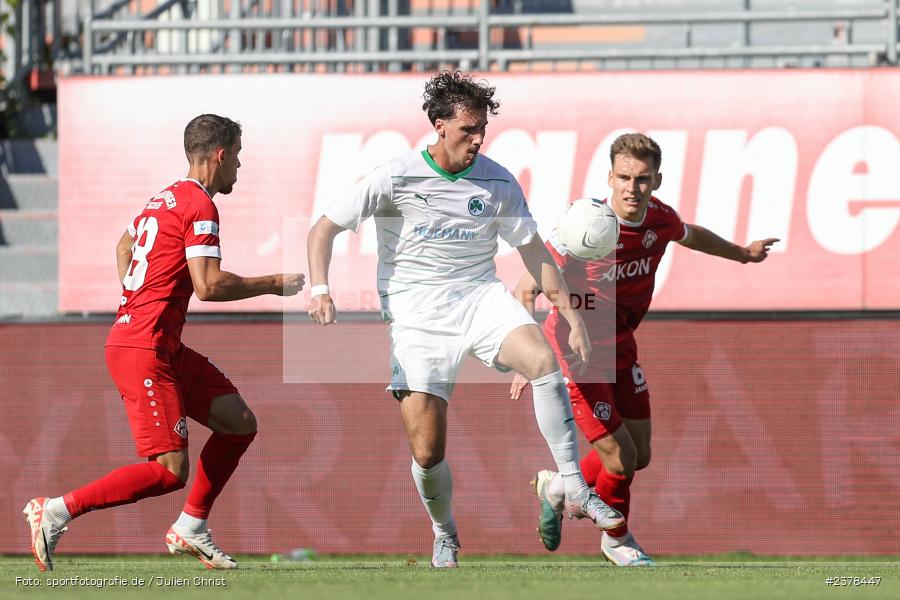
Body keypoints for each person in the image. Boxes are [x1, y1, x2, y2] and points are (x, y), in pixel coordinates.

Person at [307, 71, 625, 567]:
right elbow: (323, 229)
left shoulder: (498, 180)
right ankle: (444, 532)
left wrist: (570, 315)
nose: (478, 138)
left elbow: (534, 251)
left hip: (480, 298)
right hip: (416, 314)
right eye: (467, 129)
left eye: (483, 129)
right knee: (428, 452)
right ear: (439, 125)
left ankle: (574, 487)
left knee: (541, 361)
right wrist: (321, 289)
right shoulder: (395, 176)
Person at [22, 114, 304, 572]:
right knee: (170, 470)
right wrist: (274, 283)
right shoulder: (200, 207)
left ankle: (191, 527)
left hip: (157, 342)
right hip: (144, 346)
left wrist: (134, 300)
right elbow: (208, 286)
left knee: (239, 422)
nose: (240, 164)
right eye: (237, 154)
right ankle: (55, 510)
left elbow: (122, 246)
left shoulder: (162, 199)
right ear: (220, 154)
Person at [511, 132, 778, 566]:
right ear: (609, 178)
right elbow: (525, 287)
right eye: (623, 177)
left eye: (641, 179)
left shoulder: (658, 219)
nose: (631, 188)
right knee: (619, 458)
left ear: (656, 180)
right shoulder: (583, 227)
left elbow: (690, 235)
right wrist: (527, 352)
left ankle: (559, 487)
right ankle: (617, 541)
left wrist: (742, 254)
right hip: (578, 355)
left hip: (621, 346)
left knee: (641, 454)